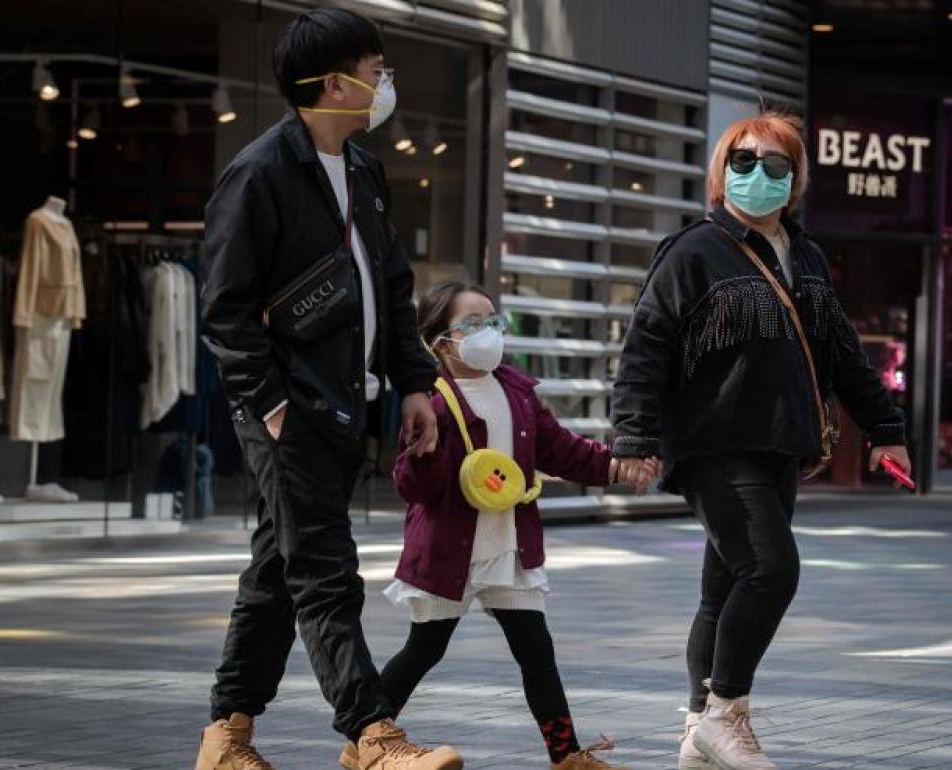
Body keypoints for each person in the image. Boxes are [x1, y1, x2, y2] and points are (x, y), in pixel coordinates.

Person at [197, 8, 460, 770]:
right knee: (323, 568)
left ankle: (227, 735)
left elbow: (392, 285)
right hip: (290, 410)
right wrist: (270, 402)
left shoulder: (366, 170)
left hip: (350, 399)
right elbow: (226, 309)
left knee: (277, 571)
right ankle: (373, 734)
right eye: (376, 71)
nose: (385, 84)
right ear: (335, 82)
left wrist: (414, 385)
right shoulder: (259, 173)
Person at [610, 112, 912, 770]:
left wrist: (886, 430)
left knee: (723, 590)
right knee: (771, 570)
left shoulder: (803, 256)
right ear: (721, 171)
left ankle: (697, 731)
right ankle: (726, 714)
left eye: (776, 165)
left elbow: (839, 351)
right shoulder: (693, 251)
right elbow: (646, 346)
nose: (758, 175)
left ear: (797, 179)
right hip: (713, 444)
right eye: (743, 161)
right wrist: (633, 435)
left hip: (781, 444)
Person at [357, 281, 656, 770]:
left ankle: (567, 756)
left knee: (537, 651)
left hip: (508, 547)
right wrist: (423, 456)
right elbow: (413, 489)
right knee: (424, 648)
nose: (490, 332)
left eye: (495, 320)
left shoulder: (516, 390)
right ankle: (367, 735)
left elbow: (561, 449)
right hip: (450, 552)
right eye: (474, 324)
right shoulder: (431, 401)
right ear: (441, 341)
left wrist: (616, 466)